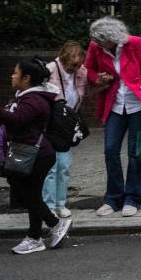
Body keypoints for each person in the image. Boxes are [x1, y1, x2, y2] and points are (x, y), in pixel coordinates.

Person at [0, 58, 72, 254]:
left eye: (15, 73)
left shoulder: (34, 99)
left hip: (36, 155)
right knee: (30, 195)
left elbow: (17, 119)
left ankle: (51, 226)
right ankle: (37, 236)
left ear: (26, 78)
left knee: (28, 196)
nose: (12, 76)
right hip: (30, 153)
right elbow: (13, 113)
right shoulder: (25, 96)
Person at [85, 16, 141, 217]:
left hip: (137, 103)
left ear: (114, 37)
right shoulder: (96, 47)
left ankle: (132, 198)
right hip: (115, 105)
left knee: (135, 153)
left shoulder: (134, 43)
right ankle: (113, 198)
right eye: (99, 43)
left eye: (105, 42)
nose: (102, 46)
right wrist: (98, 78)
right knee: (110, 150)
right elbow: (89, 70)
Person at [42, 41, 88, 219]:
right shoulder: (50, 70)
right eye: (73, 65)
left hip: (66, 125)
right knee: (51, 168)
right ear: (64, 58)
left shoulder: (81, 72)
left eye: (79, 64)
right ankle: (49, 205)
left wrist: (102, 81)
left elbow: (88, 90)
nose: (76, 68)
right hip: (50, 124)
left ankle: (61, 203)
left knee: (63, 166)